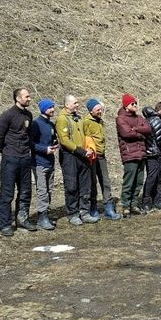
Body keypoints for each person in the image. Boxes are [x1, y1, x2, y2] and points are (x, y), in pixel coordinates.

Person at [0, 87, 37, 237]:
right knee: (7, 193)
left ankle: (22, 219)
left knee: (25, 191)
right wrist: (7, 152)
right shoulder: (7, 115)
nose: (29, 99)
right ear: (18, 98)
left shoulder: (29, 115)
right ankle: (5, 224)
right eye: (27, 96)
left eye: (29, 96)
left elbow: (28, 136)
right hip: (10, 159)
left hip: (25, 158)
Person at [55, 94, 93, 225]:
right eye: (75, 103)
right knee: (71, 186)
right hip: (70, 156)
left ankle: (84, 212)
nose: (78, 105)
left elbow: (86, 135)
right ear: (67, 105)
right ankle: (73, 213)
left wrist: (89, 149)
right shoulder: (62, 119)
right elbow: (64, 140)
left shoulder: (79, 118)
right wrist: (81, 151)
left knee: (85, 185)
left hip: (83, 156)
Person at [82, 98, 119, 220]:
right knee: (93, 183)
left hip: (101, 156)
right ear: (90, 111)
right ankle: (93, 207)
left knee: (105, 181)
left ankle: (108, 208)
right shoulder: (86, 122)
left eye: (100, 109)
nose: (100, 111)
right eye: (97, 110)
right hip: (92, 157)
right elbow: (85, 139)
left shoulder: (100, 121)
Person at [116, 94, 152, 216]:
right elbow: (126, 133)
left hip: (141, 154)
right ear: (126, 106)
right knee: (129, 182)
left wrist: (134, 129)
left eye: (136, 103)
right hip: (130, 154)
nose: (135, 105)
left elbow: (148, 129)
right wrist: (140, 134)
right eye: (132, 103)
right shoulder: (120, 119)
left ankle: (134, 204)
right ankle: (125, 205)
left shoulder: (139, 117)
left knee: (138, 182)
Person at [29, 98, 59, 230]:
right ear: (43, 109)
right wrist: (44, 150)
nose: (52, 110)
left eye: (53, 107)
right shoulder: (36, 124)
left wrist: (55, 145)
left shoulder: (51, 124)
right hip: (39, 162)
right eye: (50, 107)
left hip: (50, 162)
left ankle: (46, 213)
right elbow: (31, 143)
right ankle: (42, 217)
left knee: (49, 189)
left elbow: (52, 139)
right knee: (42, 190)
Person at [141, 102, 161, 212]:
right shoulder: (157, 120)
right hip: (154, 152)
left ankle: (151, 200)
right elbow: (160, 138)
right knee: (153, 177)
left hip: (147, 152)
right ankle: (148, 201)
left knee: (152, 176)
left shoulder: (146, 120)